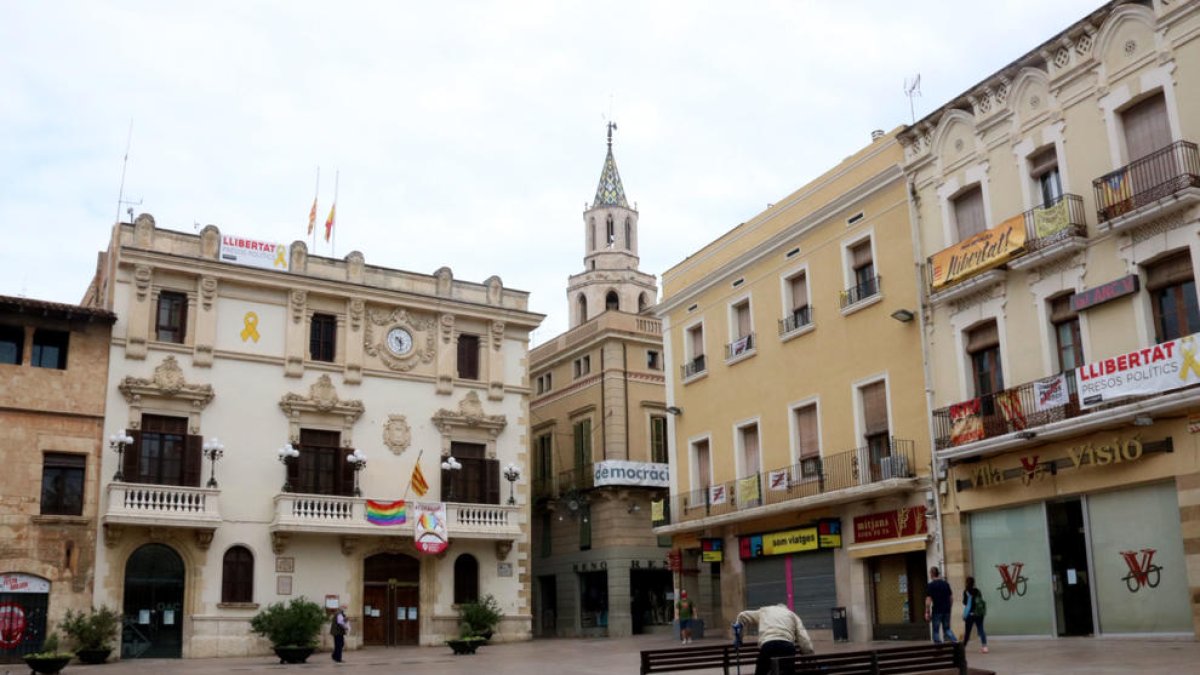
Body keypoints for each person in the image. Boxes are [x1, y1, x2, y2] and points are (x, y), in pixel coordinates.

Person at [734, 603, 814, 675]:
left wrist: (739, 638)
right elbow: (804, 637)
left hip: (768, 645)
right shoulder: (792, 615)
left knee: (761, 671)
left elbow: (742, 616)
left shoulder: (765, 611)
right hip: (787, 647)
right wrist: (808, 654)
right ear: (786, 609)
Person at [924, 566, 957, 644]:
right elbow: (951, 598)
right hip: (946, 610)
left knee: (936, 630)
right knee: (947, 629)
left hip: (937, 610)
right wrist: (949, 607)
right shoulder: (946, 584)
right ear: (938, 573)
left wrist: (927, 612)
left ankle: (938, 646)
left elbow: (928, 601)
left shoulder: (930, 585)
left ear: (931, 574)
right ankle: (955, 642)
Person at [961, 576, 988, 653]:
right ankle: (984, 647)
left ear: (966, 583)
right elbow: (980, 600)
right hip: (979, 613)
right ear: (973, 583)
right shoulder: (977, 591)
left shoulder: (966, 591)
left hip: (970, 614)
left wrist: (965, 614)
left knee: (968, 632)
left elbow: (965, 603)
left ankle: (963, 647)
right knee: (981, 630)